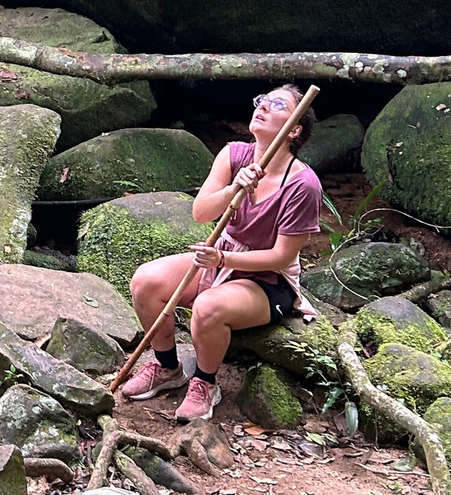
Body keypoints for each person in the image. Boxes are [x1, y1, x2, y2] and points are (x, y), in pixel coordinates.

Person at [121, 84, 320, 422]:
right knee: (146, 282)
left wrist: (223, 260)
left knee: (207, 307)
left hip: (268, 279)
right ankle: (167, 367)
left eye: (277, 105)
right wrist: (233, 188)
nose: (263, 107)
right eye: (261, 100)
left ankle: (205, 382)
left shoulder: (303, 185)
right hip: (222, 256)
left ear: (295, 130)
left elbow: (281, 257)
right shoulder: (233, 155)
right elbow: (201, 212)